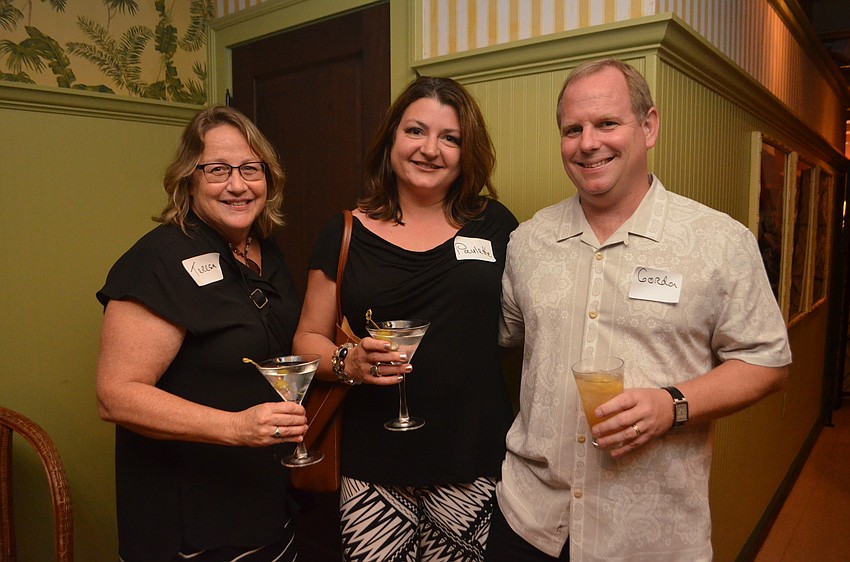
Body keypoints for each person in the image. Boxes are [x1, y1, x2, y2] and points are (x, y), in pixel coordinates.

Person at [485, 59, 792, 562]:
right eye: (572, 129)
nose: (588, 142)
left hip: (650, 539)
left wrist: (671, 405)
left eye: (607, 123)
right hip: (529, 523)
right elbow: (504, 337)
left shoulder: (718, 242)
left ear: (649, 126)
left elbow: (768, 361)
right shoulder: (529, 241)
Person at [293, 76, 519, 561]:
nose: (430, 149)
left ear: (466, 151)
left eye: (450, 138)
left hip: (472, 461)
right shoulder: (345, 230)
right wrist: (347, 360)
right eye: (416, 131)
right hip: (373, 465)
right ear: (392, 138)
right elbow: (307, 339)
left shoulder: (496, 225)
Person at [96, 106, 306, 562]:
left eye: (251, 169)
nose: (238, 184)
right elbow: (116, 395)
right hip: (190, 520)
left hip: (264, 502)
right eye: (218, 170)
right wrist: (236, 427)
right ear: (188, 178)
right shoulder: (159, 260)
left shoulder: (264, 249)